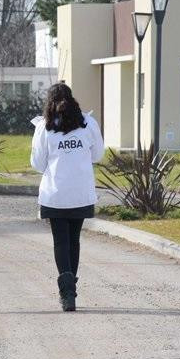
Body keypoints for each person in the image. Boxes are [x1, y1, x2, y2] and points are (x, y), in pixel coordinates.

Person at [30, 83, 104, 312]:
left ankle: (67, 292)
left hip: (55, 194)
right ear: (72, 99)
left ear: (49, 102)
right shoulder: (88, 123)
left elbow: (37, 163)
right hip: (81, 192)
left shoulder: (44, 127)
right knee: (74, 240)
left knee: (60, 241)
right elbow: (98, 155)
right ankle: (71, 289)